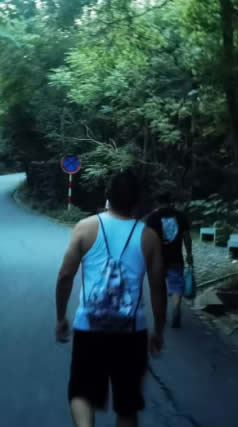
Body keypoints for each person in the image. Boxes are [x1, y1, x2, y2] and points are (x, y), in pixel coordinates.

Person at [54, 170, 167, 427]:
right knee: (127, 406)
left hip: (89, 328)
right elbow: (158, 287)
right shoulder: (148, 236)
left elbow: (64, 276)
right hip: (131, 332)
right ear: (137, 201)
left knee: (81, 392)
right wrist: (159, 331)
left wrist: (61, 317)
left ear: (108, 196)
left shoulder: (85, 228)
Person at [145, 199, 193, 328]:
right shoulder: (180, 216)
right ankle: (176, 307)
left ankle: (161, 315)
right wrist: (189, 254)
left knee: (159, 288)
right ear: (170, 202)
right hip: (175, 257)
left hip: (157, 259)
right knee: (176, 285)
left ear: (157, 203)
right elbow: (187, 237)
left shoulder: (152, 217)